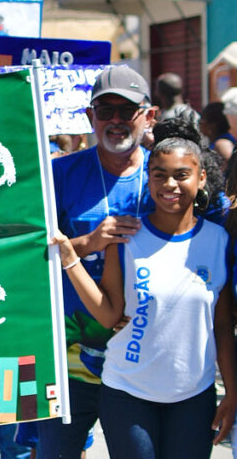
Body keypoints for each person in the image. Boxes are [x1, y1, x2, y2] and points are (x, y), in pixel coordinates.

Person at [53, 136, 237, 457]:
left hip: (194, 396)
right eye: (159, 175)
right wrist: (69, 258)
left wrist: (232, 394)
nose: (170, 185)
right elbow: (109, 315)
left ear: (201, 178)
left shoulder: (219, 241)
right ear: (148, 180)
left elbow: (222, 326)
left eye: (181, 175)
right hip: (127, 394)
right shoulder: (126, 238)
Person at [39, 66, 158, 458]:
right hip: (69, 362)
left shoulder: (167, 177)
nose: (116, 120)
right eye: (106, 110)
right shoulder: (59, 174)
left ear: (149, 116)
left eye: (128, 111)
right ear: (90, 116)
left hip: (143, 360)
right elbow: (27, 258)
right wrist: (88, 242)